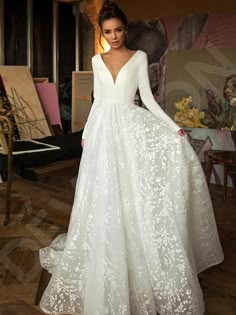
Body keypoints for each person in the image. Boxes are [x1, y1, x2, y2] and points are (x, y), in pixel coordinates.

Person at [39, 1, 224, 314]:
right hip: (102, 131)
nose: (113, 36)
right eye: (108, 31)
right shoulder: (97, 61)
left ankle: (134, 256)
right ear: (103, 32)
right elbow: (98, 101)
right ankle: (106, 252)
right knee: (101, 193)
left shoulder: (139, 57)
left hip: (129, 129)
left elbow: (148, 100)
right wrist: (86, 132)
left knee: (133, 191)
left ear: (125, 29)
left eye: (118, 30)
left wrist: (173, 128)